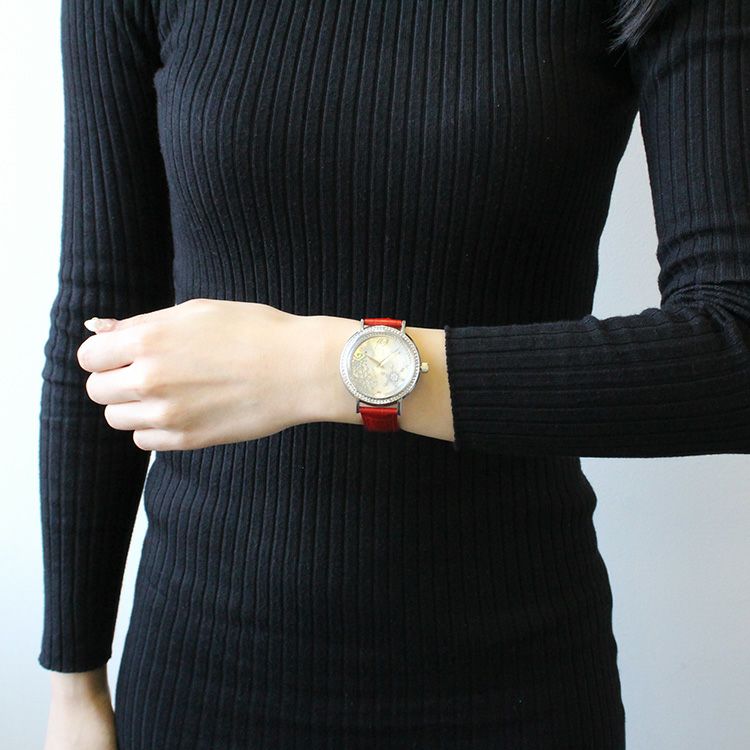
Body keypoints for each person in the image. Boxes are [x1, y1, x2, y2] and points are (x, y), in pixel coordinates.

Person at [39, 1, 750, 748]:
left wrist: (315, 368)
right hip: (199, 670)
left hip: (518, 676)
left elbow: (733, 344)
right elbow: (99, 316)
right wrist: (74, 683)